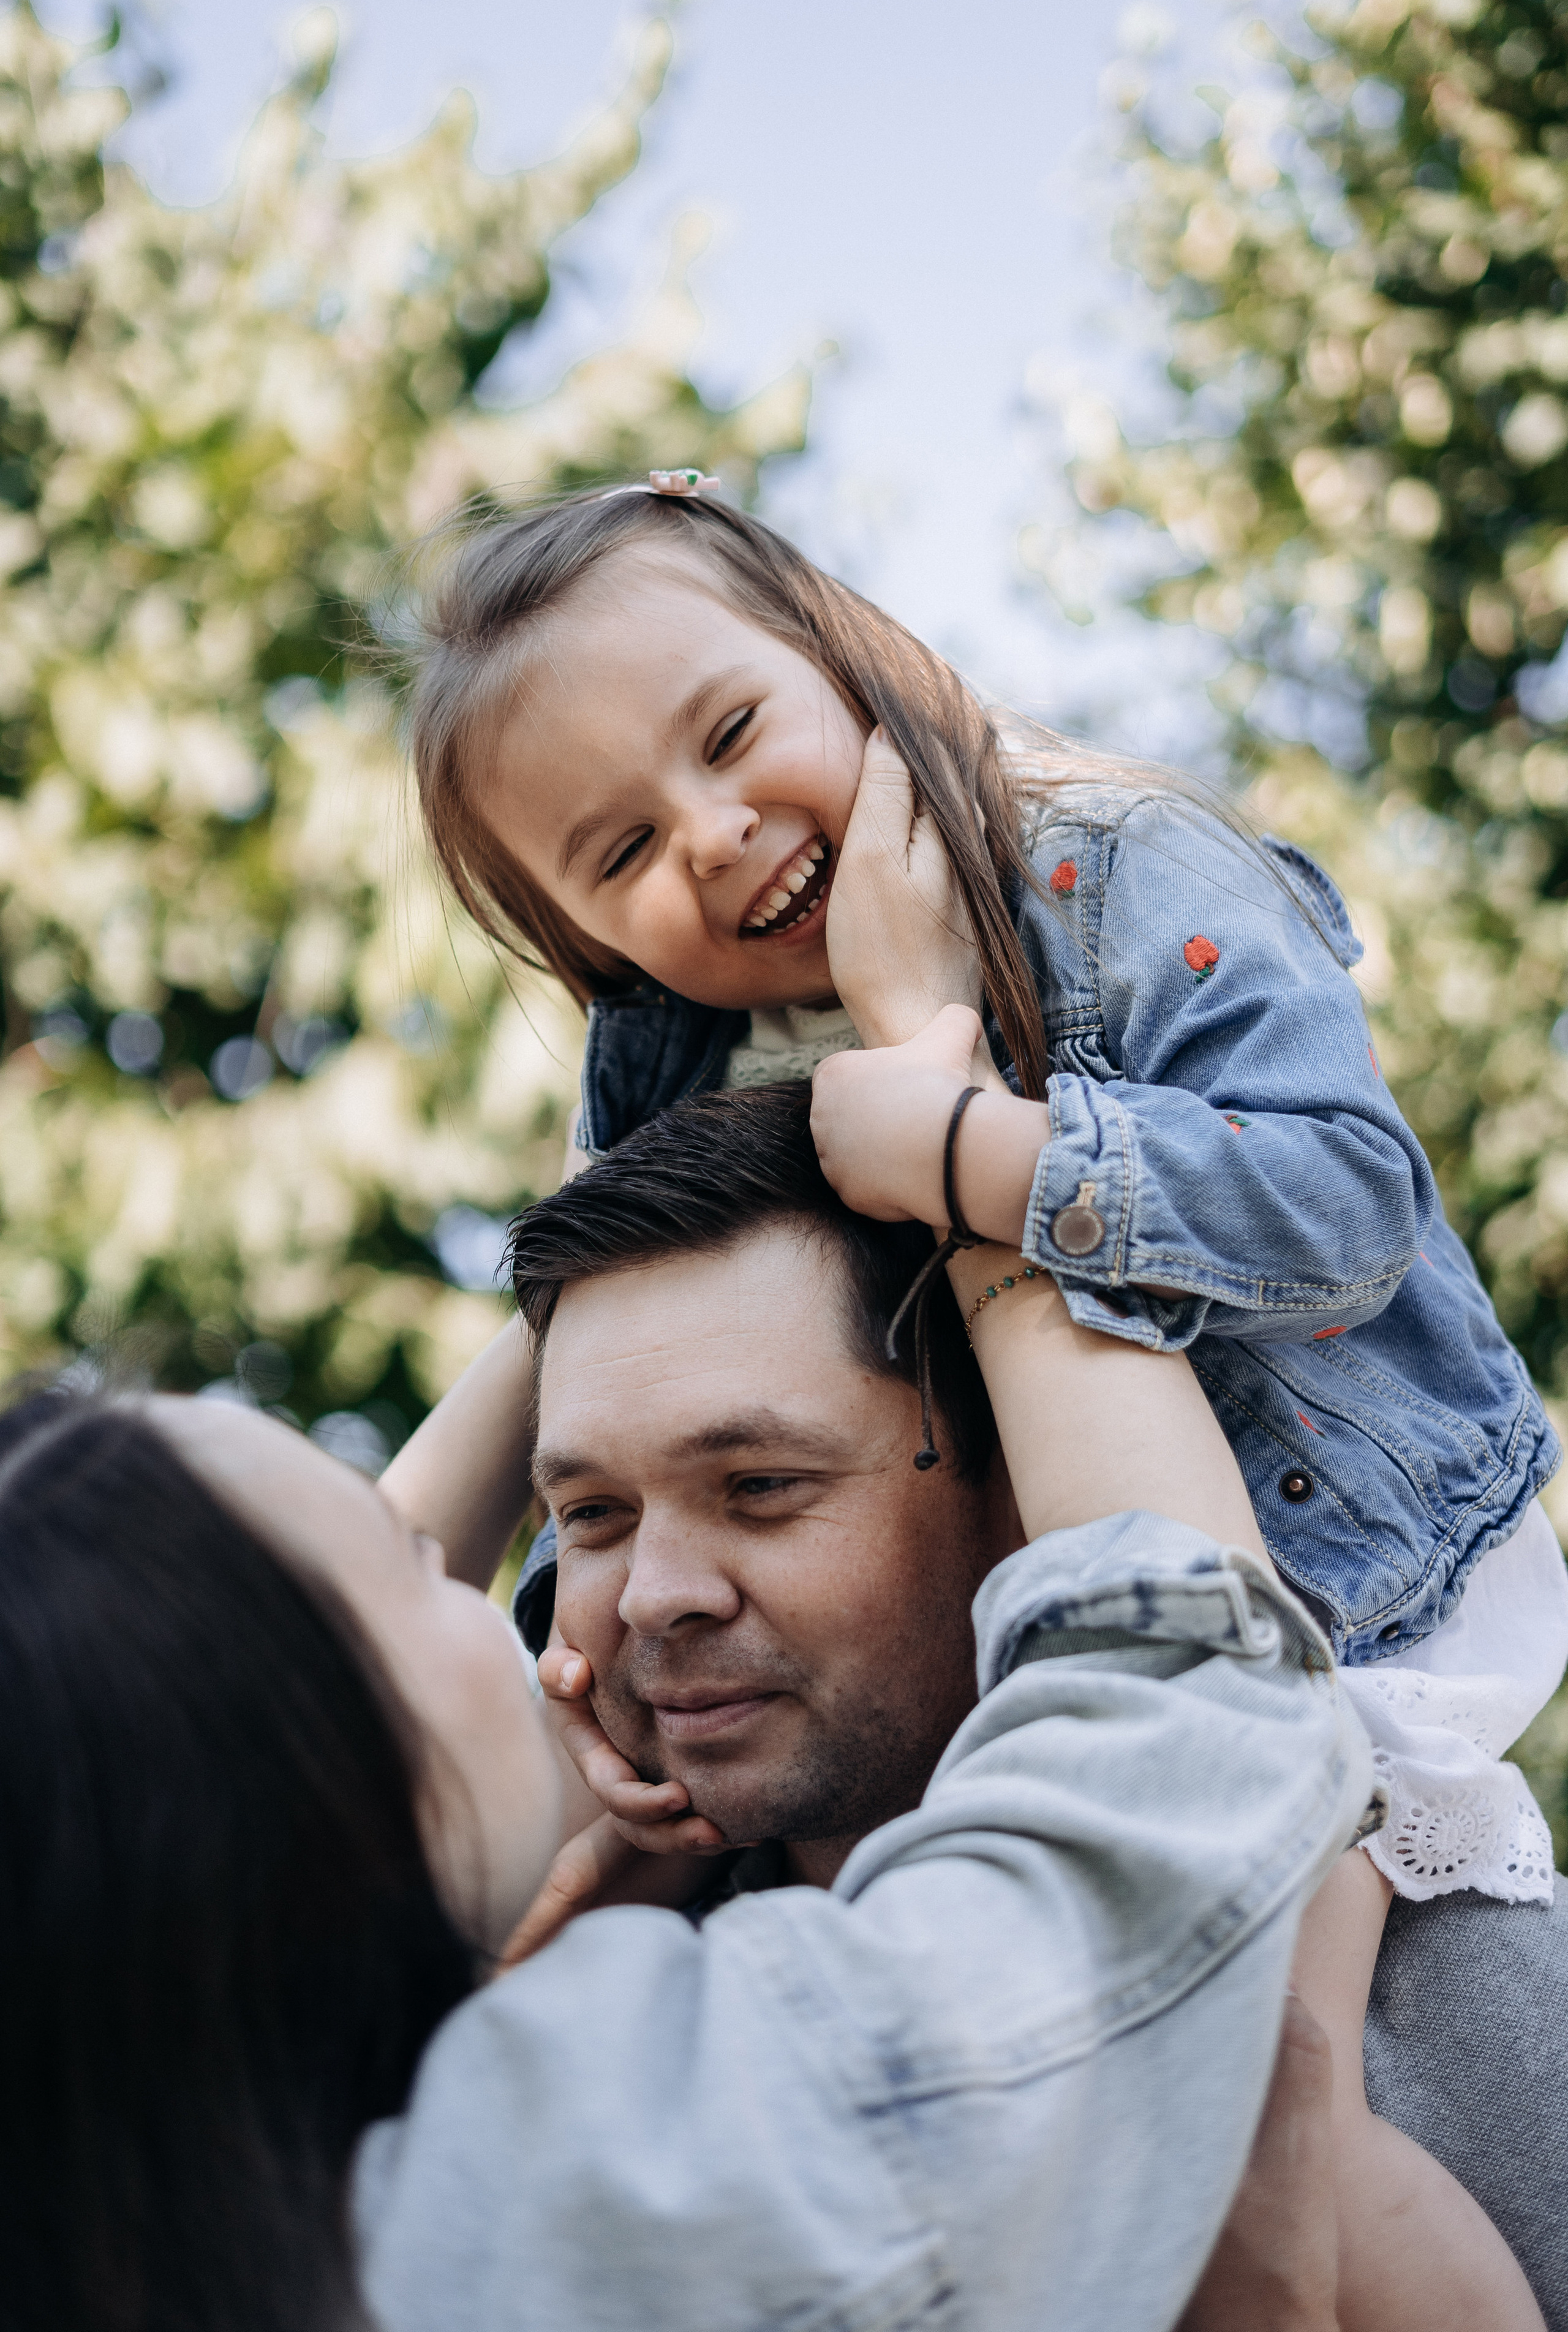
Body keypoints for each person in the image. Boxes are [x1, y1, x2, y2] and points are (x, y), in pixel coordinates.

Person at [397, 476, 1566, 2326]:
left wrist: (972, 1148)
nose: (709, 842)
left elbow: (1351, 1205)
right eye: (616, 856)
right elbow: (600, 1356)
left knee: (1268, 2077)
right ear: (578, 936)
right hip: (1042, 1638)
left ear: (841, 638)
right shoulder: (671, 1046)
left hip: (1338, 1592)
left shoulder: (1118, 872)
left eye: (731, 733)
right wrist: (578, 1656)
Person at [0, 1122, 1369, 2332]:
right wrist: (978, 1167)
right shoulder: (630, 2166)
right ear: (309, 1784)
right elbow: (1184, 1684)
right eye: (581, 1514)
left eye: (761, 1484)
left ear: (1010, 1497)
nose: (642, 1600)